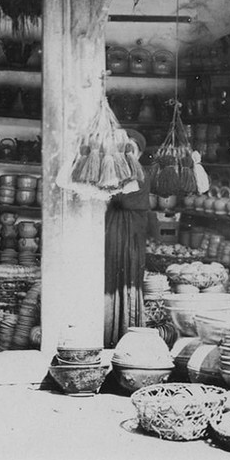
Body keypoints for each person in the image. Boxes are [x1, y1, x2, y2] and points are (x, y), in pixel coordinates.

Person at [104, 129, 150, 347]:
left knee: (129, 275)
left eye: (132, 149)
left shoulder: (139, 174)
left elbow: (124, 201)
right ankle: (109, 332)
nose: (128, 153)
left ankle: (125, 335)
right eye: (124, 149)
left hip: (131, 234)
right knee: (111, 274)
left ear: (139, 153)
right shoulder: (117, 172)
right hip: (115, 232)